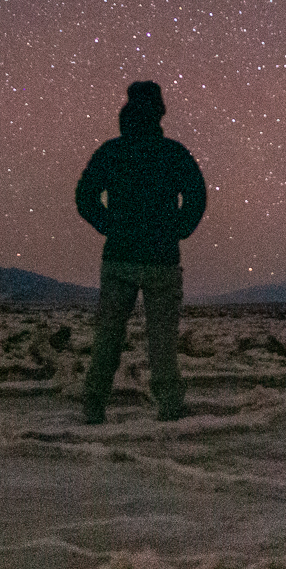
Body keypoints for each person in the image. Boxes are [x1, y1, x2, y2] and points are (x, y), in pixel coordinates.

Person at [75, 80, 207, 422]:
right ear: (159, 111)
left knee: (108, 337)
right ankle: (170, 407)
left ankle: (93, 405)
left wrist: (110, 225)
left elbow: (85, 196)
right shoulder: (173, 153)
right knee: (162, 342)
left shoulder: (112, 152)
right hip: (161, 259)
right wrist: (178, 229)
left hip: (120, 256)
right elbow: (196, 196)